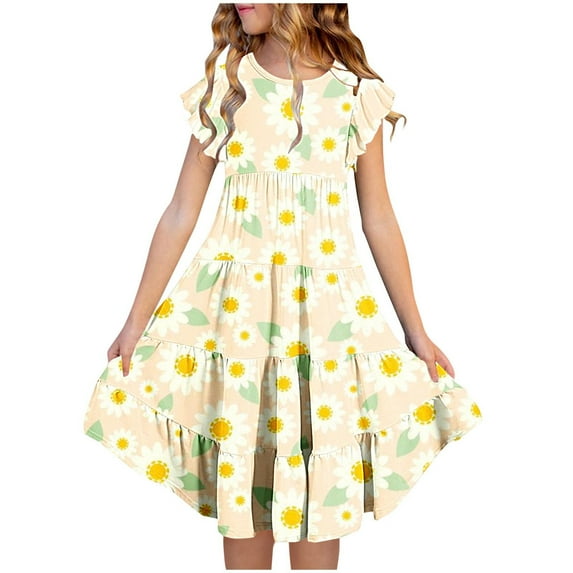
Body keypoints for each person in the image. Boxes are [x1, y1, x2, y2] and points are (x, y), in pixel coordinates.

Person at [83, 3, 482, 570]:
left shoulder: (354, 93)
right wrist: (134, 323)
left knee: (319, 487)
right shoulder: (230, 86)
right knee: (246, 482)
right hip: (238, 321)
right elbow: (180, 212)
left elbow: (379, 218)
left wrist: (416, 332)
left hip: (326, 325)